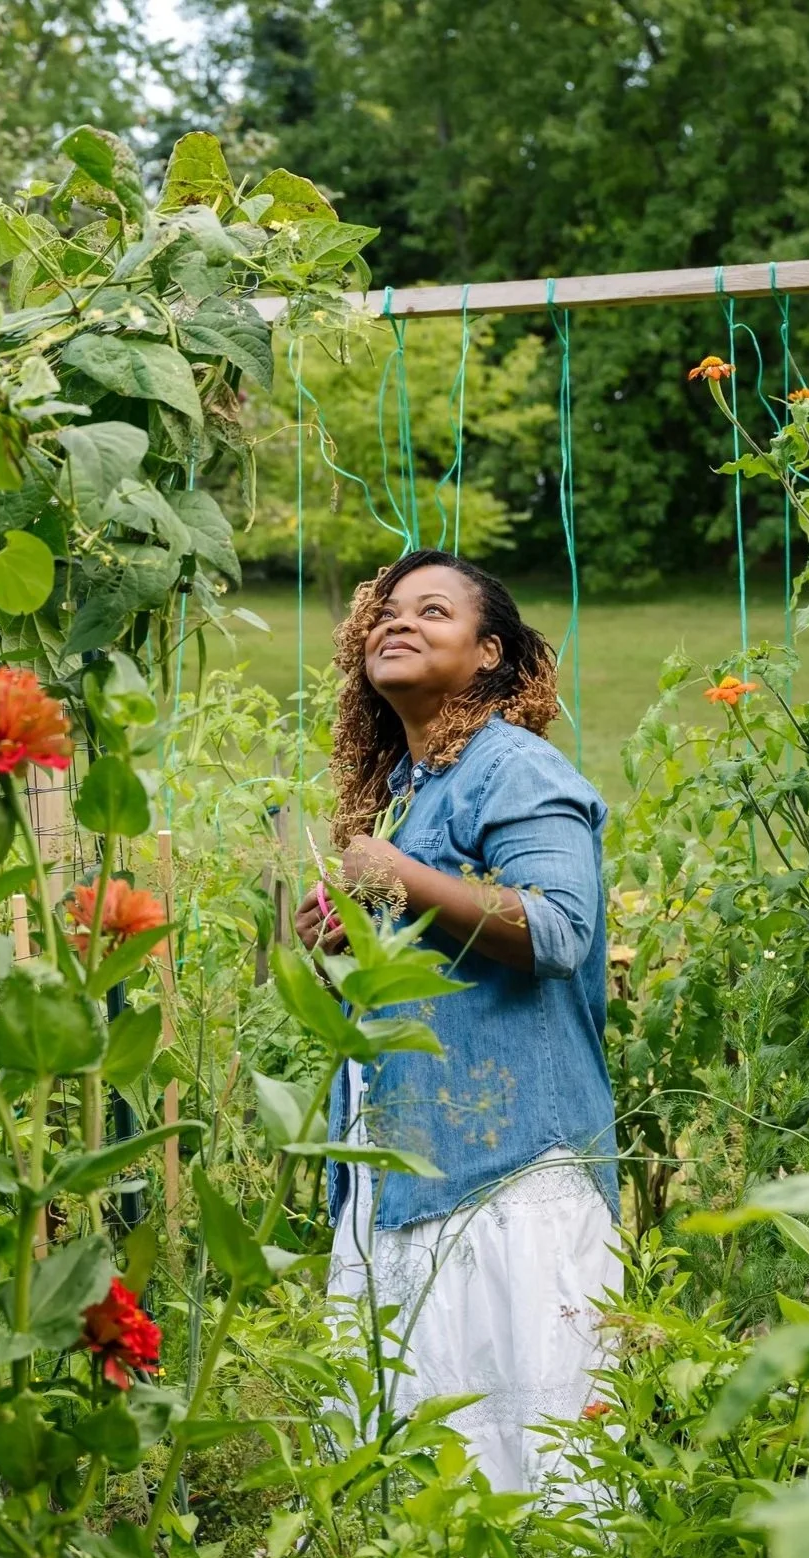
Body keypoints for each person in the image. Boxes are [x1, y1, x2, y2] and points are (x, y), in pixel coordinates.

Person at [294, 547, 620, 1492]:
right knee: (433, 1468)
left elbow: (557, 927)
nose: (398, 622)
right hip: (410, 1168)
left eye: (432, 612)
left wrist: (397, 879)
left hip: (508, 1166)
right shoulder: (410, 789)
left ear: (488, 656)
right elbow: (424, 959)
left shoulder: (512, 769)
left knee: (535, 1455)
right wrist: (336, 940)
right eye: (387, 612)